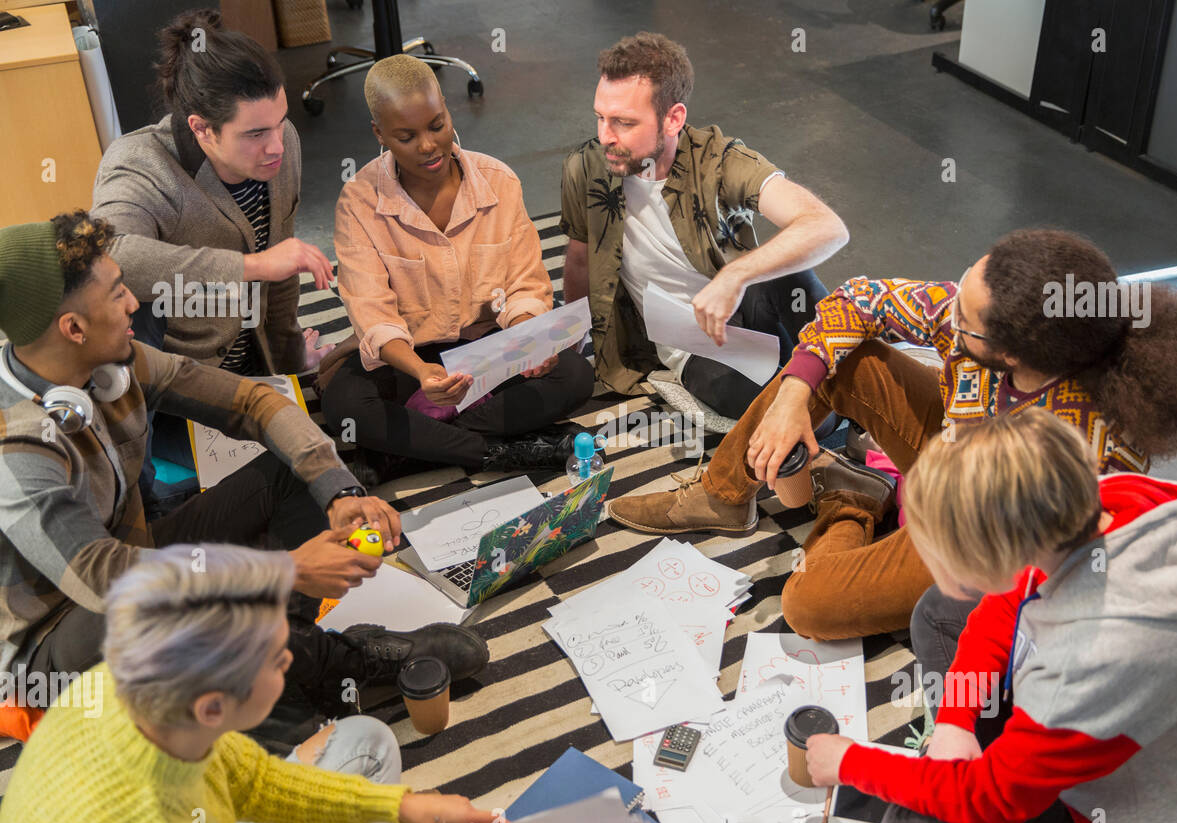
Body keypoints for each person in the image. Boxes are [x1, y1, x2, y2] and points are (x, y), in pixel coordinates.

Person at [608, 228, 1177, 641]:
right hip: (960, 452)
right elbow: (859, 299)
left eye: (964, 318)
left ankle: (852, 501)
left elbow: (1022, 577)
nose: (946, 314)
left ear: (1013, 352)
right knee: (847, 355)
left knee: (809, 605)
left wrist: (914, 510)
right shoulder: (988, 323)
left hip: (987, 533)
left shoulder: (1083, 449)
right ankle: (722, 493)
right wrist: (796, 388)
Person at [0, 214, 487, 731]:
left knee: (297, 474)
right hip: (62, 638)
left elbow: (251, 402)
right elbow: (105, 580)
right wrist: (285, 571)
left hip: (139, 559)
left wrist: (339, 490)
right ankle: (313, 665)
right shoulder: (18, 452)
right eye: (118, 293)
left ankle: (299, 658)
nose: (134, 305)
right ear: (73, 329)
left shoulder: (112, 366)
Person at [803, 410, 1177, 823]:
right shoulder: (1101, 505)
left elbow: (991, 800)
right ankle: (984, 753)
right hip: (1146, 749)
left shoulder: (1106, 649)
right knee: (939, 611)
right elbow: (1003, 606)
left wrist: (849, 761)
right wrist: (956, 720)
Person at [0, 544, 508, 823]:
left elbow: (252, 782)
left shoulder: (126, 693)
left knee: (369, 743)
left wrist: (402, 805)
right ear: (213, 710)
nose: (292, 653)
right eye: (273, 657)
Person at [90, 9, 335, 508]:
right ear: (202, 128)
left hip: (252, 372)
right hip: (181, 388)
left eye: (280, 121)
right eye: (254, 134)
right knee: (256, 491)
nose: (276, 146)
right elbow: (109, 252)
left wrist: (291, 367)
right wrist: (252, 267)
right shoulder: (141, 164)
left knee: (327, 453)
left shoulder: (281, 142)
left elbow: (282, 271)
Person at [318, 55, 594, 479]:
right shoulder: (359, 202)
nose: (429, 145)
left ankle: (403, 452)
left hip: (488, 350)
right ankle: (510, 452)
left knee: (574, 377)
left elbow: (524, 286)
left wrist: (528, 342)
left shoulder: (499, 181)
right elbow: (373, 316)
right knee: (346, 407)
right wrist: (421, 372)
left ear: (446, 108)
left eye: (436, 124)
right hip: (407, 360)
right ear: (380, 134)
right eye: (406, 136)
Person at [560, 32, 849, 417]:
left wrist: (735, 277)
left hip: (746, 308)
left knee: (791, 276)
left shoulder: (720, 160)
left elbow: (826, 226)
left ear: (673, 119)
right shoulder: (586, 169)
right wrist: (572, 338)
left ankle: (850, 373)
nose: (605, 137)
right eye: (600, 117)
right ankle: (831, 393)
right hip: (690, 343)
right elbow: (579, 259)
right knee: (766, 407)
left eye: (624, 123)